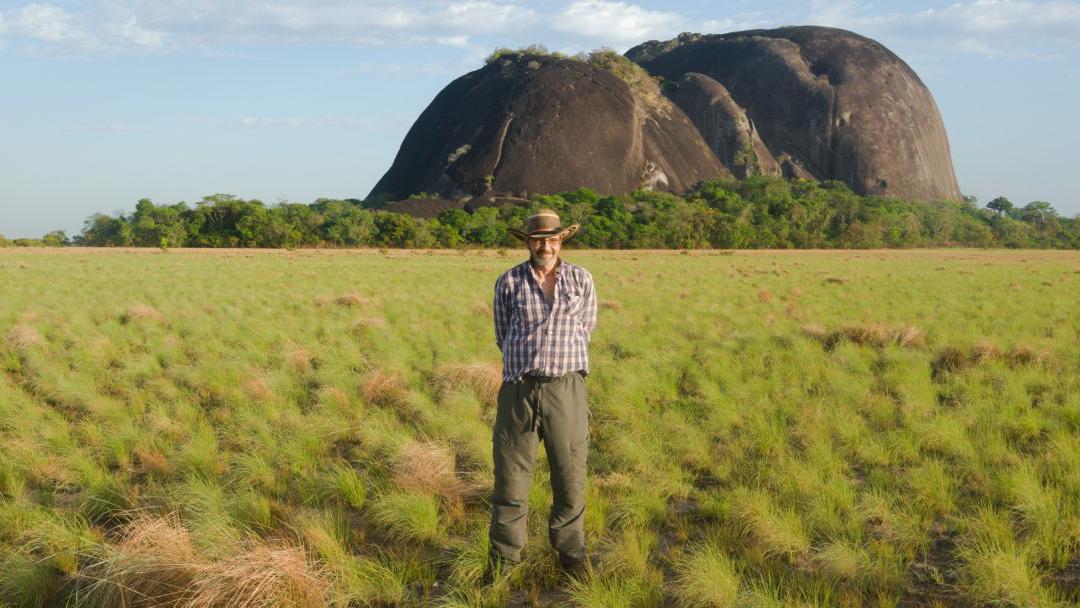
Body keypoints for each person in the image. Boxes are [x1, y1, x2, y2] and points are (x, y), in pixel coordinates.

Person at [488, 208, 598, 577]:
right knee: (510, 479)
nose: (544, 246)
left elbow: (587, 327)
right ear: (527, 243)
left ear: (561, 240)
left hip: (566, 388)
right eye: (537, 240)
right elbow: (503, 334)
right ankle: (503, 560)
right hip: (519, 389)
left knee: (569, 474)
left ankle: (570, 555)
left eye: (551, 239)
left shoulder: (581, 280)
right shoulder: (509, 282)